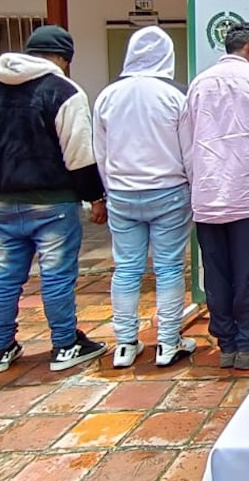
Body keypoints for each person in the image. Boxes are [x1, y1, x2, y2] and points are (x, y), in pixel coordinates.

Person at [0, 25, 108, 374]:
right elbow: (79, 154)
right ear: (64, 58)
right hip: (54, 202)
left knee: (4, 276)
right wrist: (95, 197)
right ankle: (64, 344)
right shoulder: (62, 91)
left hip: (5, 202)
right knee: (56, 275)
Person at [93, 25, 196, 368]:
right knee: (168, 268)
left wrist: (109, 190)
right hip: (169, 191)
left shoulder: (108, 95)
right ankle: (168, 342)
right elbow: (189, 151)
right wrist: (193, 187)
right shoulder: (175, 95)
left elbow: (101, 152)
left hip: (122, 192)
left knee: (126, 269)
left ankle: (125, 344)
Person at [188, 23, 249, 370]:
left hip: (208, 194)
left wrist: (195, 184)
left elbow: (188, 143)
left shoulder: (199, 83)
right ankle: (248, 344)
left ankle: (226, 344)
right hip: (248, 193)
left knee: (217, 273)